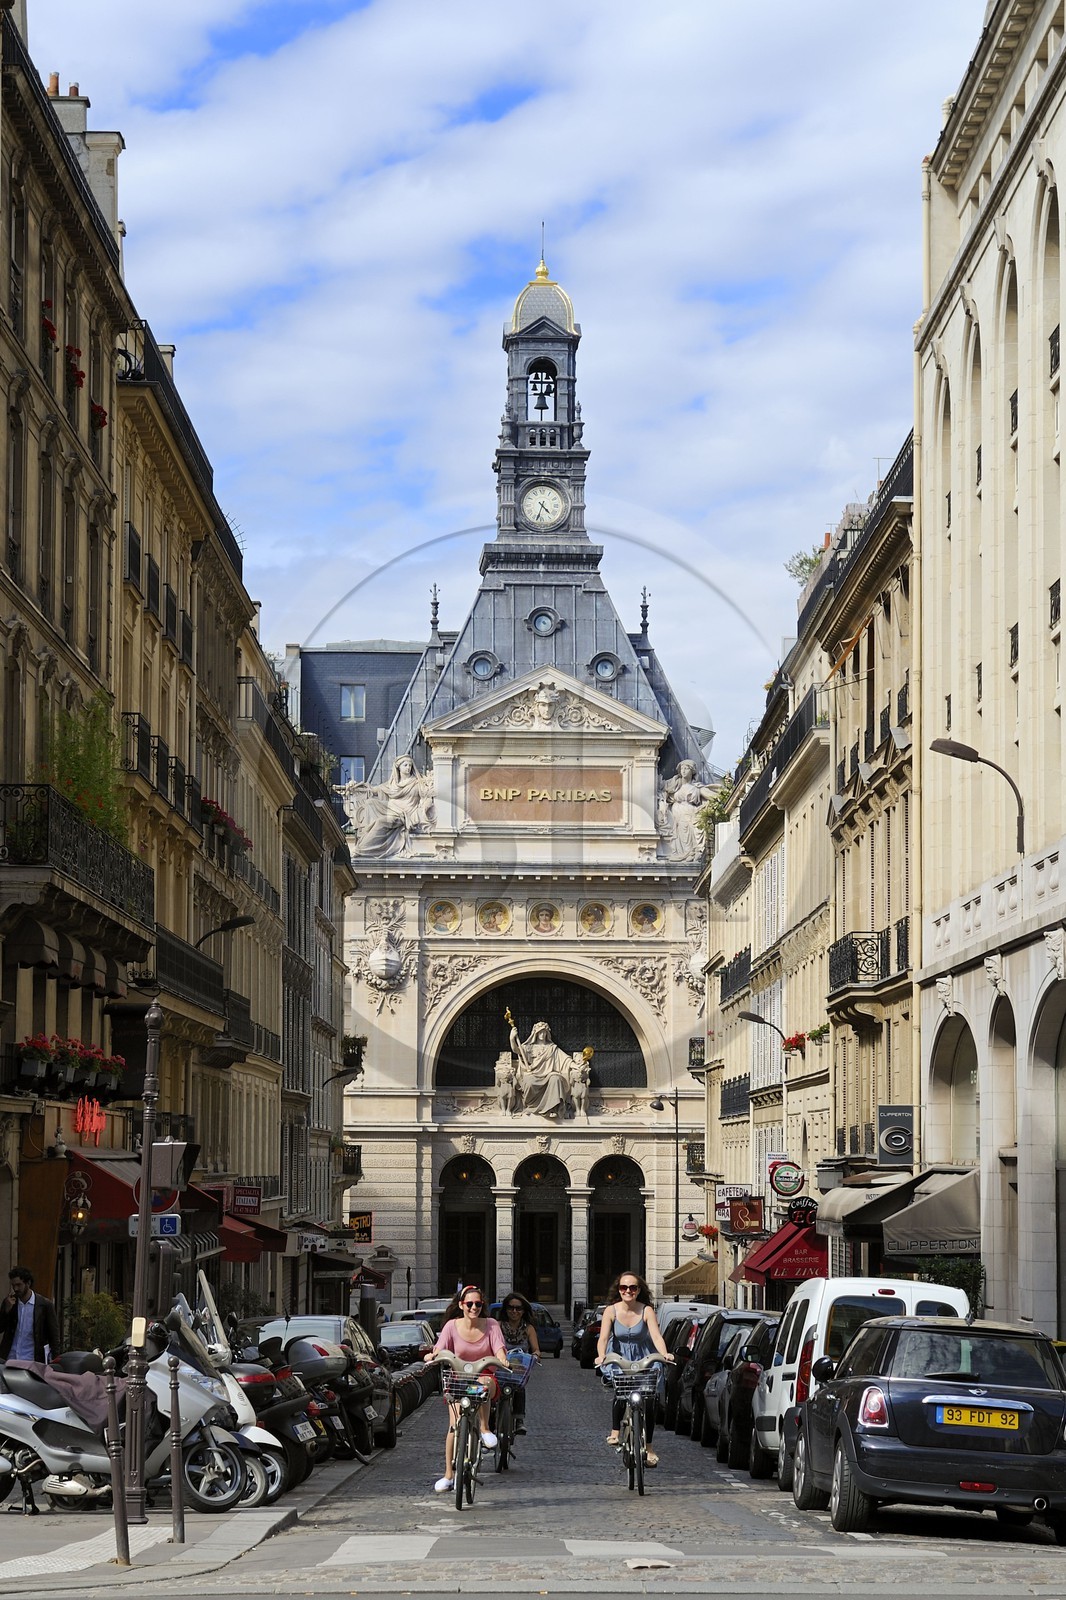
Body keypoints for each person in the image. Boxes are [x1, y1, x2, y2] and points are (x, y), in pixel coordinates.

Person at [429, 1284, 507, 1494]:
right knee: (453, 1427)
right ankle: (448, 1474)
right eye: (470, 1304)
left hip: (482, 1377)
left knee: (485, 1383)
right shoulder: (451, 1327)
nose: (474, 1307)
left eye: (478, 1304)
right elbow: (440, 1347)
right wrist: (433, 1355)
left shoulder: (491, 1325)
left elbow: (499, 1349)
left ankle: (484, 1428)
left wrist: (502, 1359)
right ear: (462, 1305)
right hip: (458, 1379)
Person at [594, 1270, 672, 1467]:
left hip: (645, 1357)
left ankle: (650, 1447)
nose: (628, 1291)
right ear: (618, 1290)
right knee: (622, 1391)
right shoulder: (611, 1311)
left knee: (649, 1400)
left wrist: (664, 1354)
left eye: (632, 1287)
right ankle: (615, 1432)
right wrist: (601, 1355)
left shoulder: (646, 1311)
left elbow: (656, 1336)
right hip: (620, 1356)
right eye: (623, 1287)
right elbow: (603, 1338)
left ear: (638, 1291)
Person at [497, 1291, 540, 1434]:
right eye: (510, 1307)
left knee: (520, 1387)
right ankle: (490, 1421)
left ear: (523, 1311)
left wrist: (535, 1356)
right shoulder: (497, 1326)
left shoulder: (529, 1329)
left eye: (518, 1308)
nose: (514, 1311)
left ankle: (519, 1420)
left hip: (518, 1370)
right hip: (500, 1368)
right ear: (505, 1309)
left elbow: (536, 1350)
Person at [1, 1266, 60, 1363]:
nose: (15, 1288)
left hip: (32, 1360)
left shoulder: (44, 1305)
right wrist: (6, 1311)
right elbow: (1, 1327)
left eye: (19, 1285)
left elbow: (54, 1335)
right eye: (13, 1285)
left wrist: (55, 1359)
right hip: (10, 1358)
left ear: (28, 1283)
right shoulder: (10, 1302)